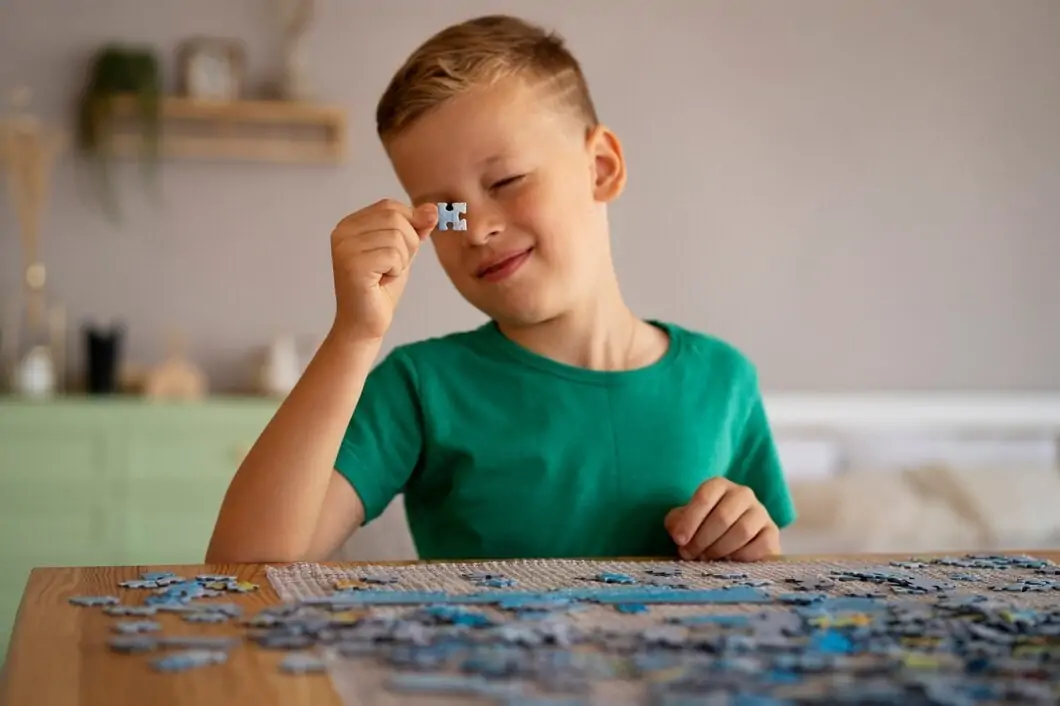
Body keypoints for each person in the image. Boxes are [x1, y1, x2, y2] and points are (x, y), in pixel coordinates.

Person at [206, 14, 796, 565]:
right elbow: (244, 568)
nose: (481, 228)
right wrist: (355, 334)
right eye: (448, 212)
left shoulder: (726, 381)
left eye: (508, 181)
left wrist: (750, 548)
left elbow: (765, 578)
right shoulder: (420, 388)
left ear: (601, 168)